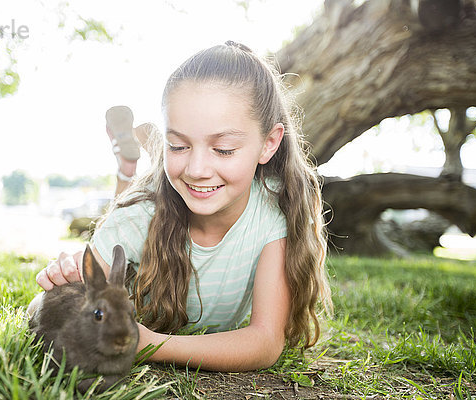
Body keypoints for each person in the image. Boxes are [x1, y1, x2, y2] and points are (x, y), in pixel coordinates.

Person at [33, 41, 332, 372]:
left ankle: (130, 160)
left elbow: (264, 341)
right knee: (129, 205)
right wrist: (65, 278)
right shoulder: (139, 214)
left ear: (269, 144)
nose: (197, 169)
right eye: (177, 145)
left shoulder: (275, 208)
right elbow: (80, 302)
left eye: (224, 149)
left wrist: (150, 344)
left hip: (153, 315)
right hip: (143, 205)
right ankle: (128, 167)